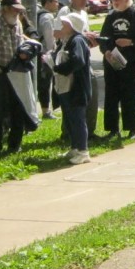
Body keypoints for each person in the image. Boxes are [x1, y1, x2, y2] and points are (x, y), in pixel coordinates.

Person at [98, 0, 135, 140]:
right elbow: (103, 39)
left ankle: (132, 128)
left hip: (130, 61)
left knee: (129, 94)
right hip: (111, 61)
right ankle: (113, 129)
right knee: (111, 94)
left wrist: (130, 42)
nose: (114, 1)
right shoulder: (111, 16)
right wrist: (106, 51)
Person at [0, 0, 39, 154]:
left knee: (19, 108)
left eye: (19, 10)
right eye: (15, 9)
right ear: (5, 9)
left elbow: (22, 40)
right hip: (0, 72)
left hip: (17, 71)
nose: (18, 12)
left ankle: (15, 144)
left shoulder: (18, 22)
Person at [55, 0, 100, 135]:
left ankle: (88, 131)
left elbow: (83, 33)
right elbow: (56, 33)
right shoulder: (65, 12)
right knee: (71, 96)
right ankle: (68, 132)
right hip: (70, 57)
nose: (84, 1)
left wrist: (90, 37)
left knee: (90, 94)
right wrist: (79, 35)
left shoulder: (84, 13)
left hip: (83, 55)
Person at [55, 12, 93, 164]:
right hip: (67, 86)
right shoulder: (67, 40)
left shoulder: (77, 40)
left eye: (65, 24)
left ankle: (83, 151)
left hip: (76, 86)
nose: (62, 27)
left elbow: (77, 60)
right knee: (70, 117)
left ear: (72, 26)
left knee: (77, 118)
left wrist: (60, 68)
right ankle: (75, 147)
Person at [36, 0, 60, 120]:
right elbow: (49, 38)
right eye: (56, 1)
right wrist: (52, 52)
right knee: (45, 83)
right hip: (44, 54)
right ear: (48, 2)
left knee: (41, 83)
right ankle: (46, 111)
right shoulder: (47, 17)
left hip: (37, 54)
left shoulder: (38, 14)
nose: (57, 4)